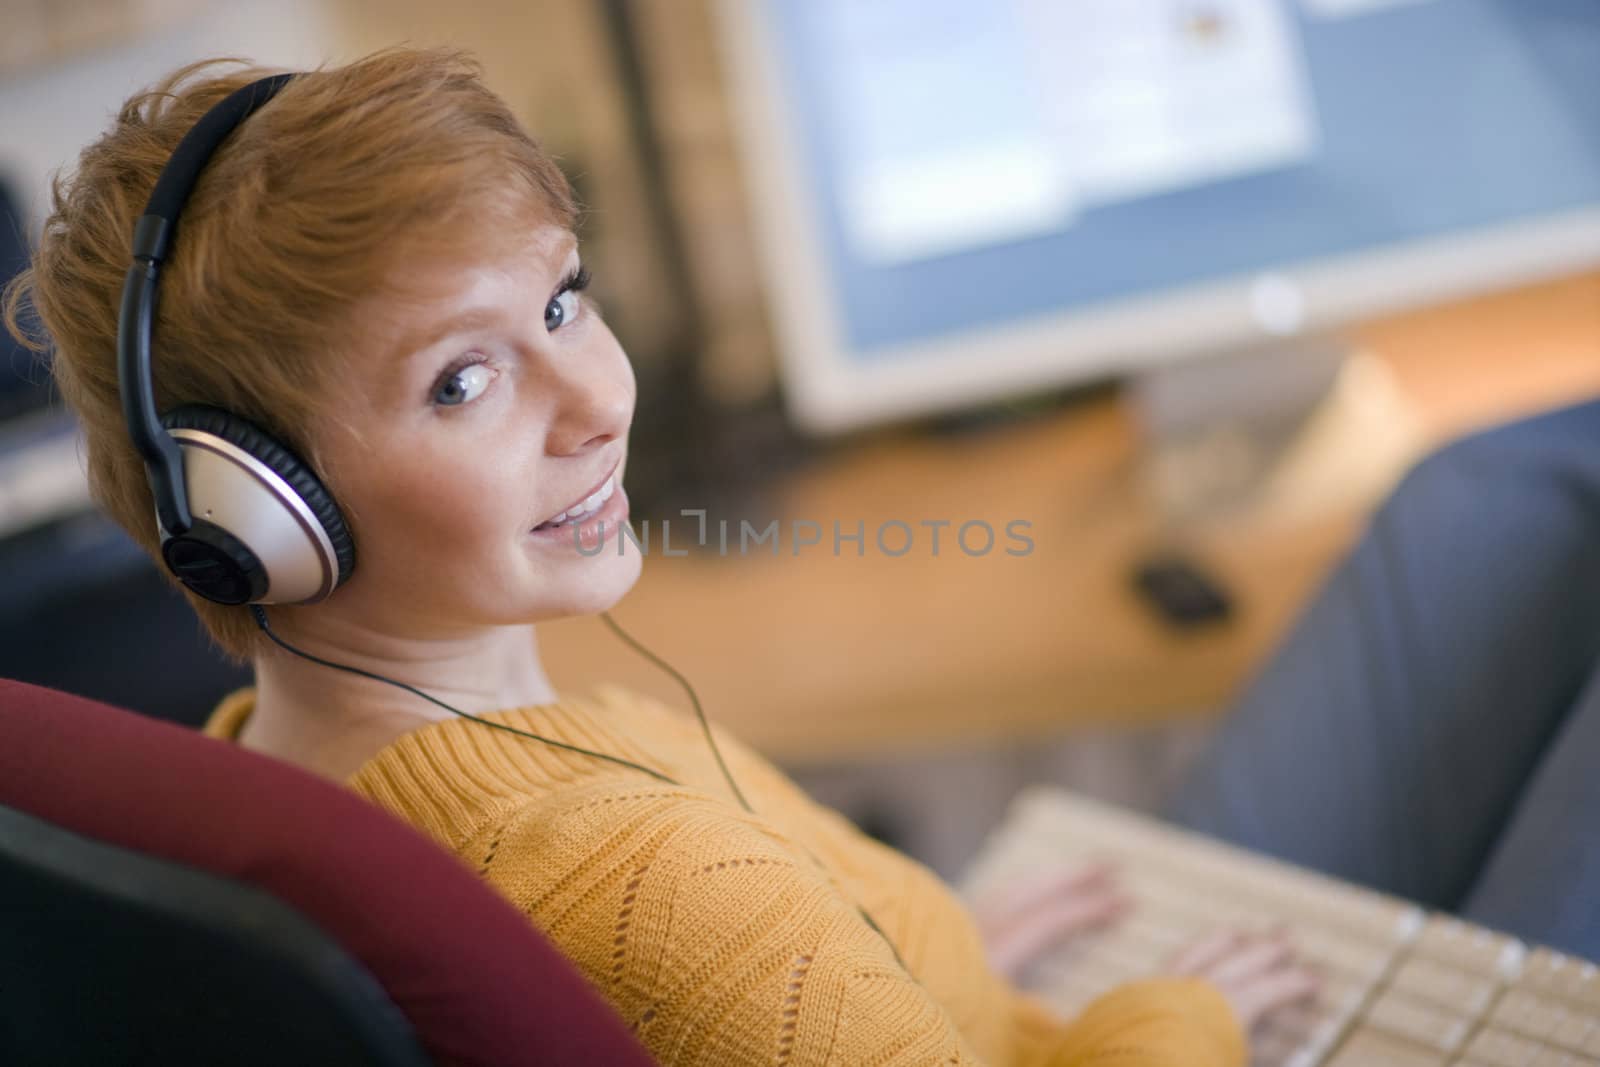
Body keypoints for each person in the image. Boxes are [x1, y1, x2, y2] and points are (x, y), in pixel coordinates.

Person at [8, 49, 1317, 1065]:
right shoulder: (650, 883)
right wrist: (1179, 1020)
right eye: (463, 381)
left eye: (564, 300)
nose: (598, 400)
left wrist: (916, 975)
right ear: (255, 514)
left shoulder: (256, 787)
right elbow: (697, 942)